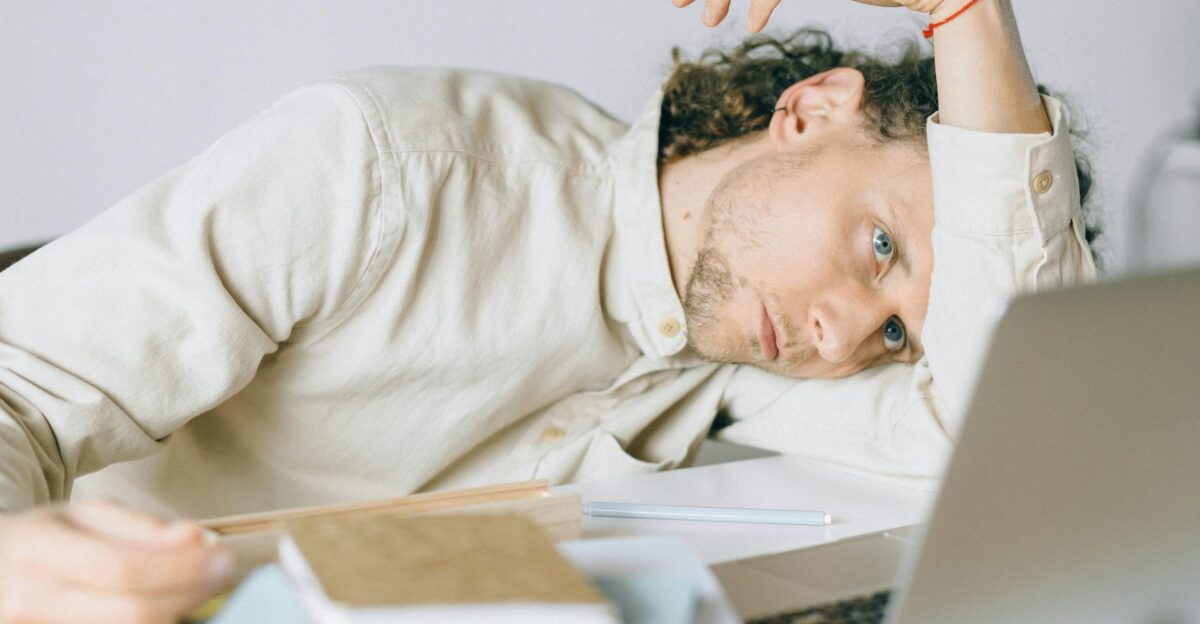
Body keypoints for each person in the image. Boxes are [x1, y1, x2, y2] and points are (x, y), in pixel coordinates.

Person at [0, 0, 1096, 621]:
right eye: (882, 246)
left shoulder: (731, 364)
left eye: (899, 328)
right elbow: (20, 388)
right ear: (810, 112)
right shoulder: (388, 165)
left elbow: (1014, 444)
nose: (848, 335)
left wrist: (972, 23)